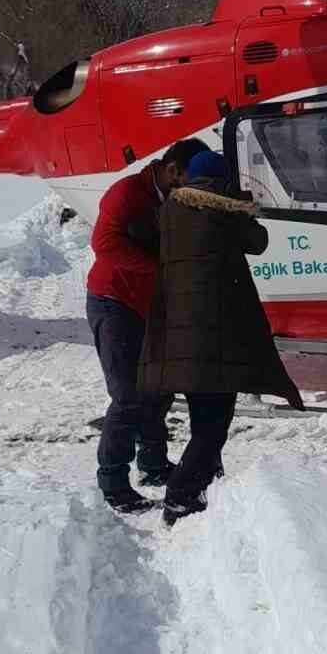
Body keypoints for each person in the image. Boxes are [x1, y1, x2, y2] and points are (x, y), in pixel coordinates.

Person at [138, 150, 304, 525]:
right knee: (214, 426)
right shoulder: (222, 211)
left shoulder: (167, 212)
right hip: (215, 333)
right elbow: (258, 241)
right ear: (220, 182)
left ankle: (209, 483)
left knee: (203, 417)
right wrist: (242, 207)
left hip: (178, 334)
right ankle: (180, 495)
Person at [86, 137, 212, 513]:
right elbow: (104, 244)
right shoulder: (126, 193)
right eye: (188, 180)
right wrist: (160, 271)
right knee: (128, 397)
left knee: (158, 391)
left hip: (151, 306)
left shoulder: (177, 198)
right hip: (115, 303)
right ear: (173, 170)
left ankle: (154, 466)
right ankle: (113, 483)